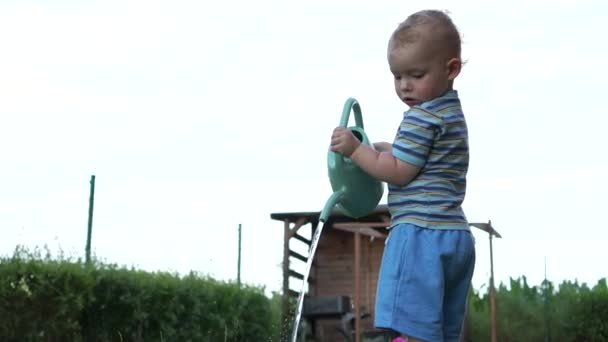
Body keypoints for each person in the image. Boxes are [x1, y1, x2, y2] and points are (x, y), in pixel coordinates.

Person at [330, 9, 476, 342]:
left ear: (450, 68)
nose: (404, 86)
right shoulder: (450, 114)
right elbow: (419, 157)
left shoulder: (419, 117)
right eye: (397, 77)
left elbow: (398, 172)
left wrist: (356, 151)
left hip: (421, 234)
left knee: (415, 328)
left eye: (415, 75)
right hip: (454, 236)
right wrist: (381, 147)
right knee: (436, 330)